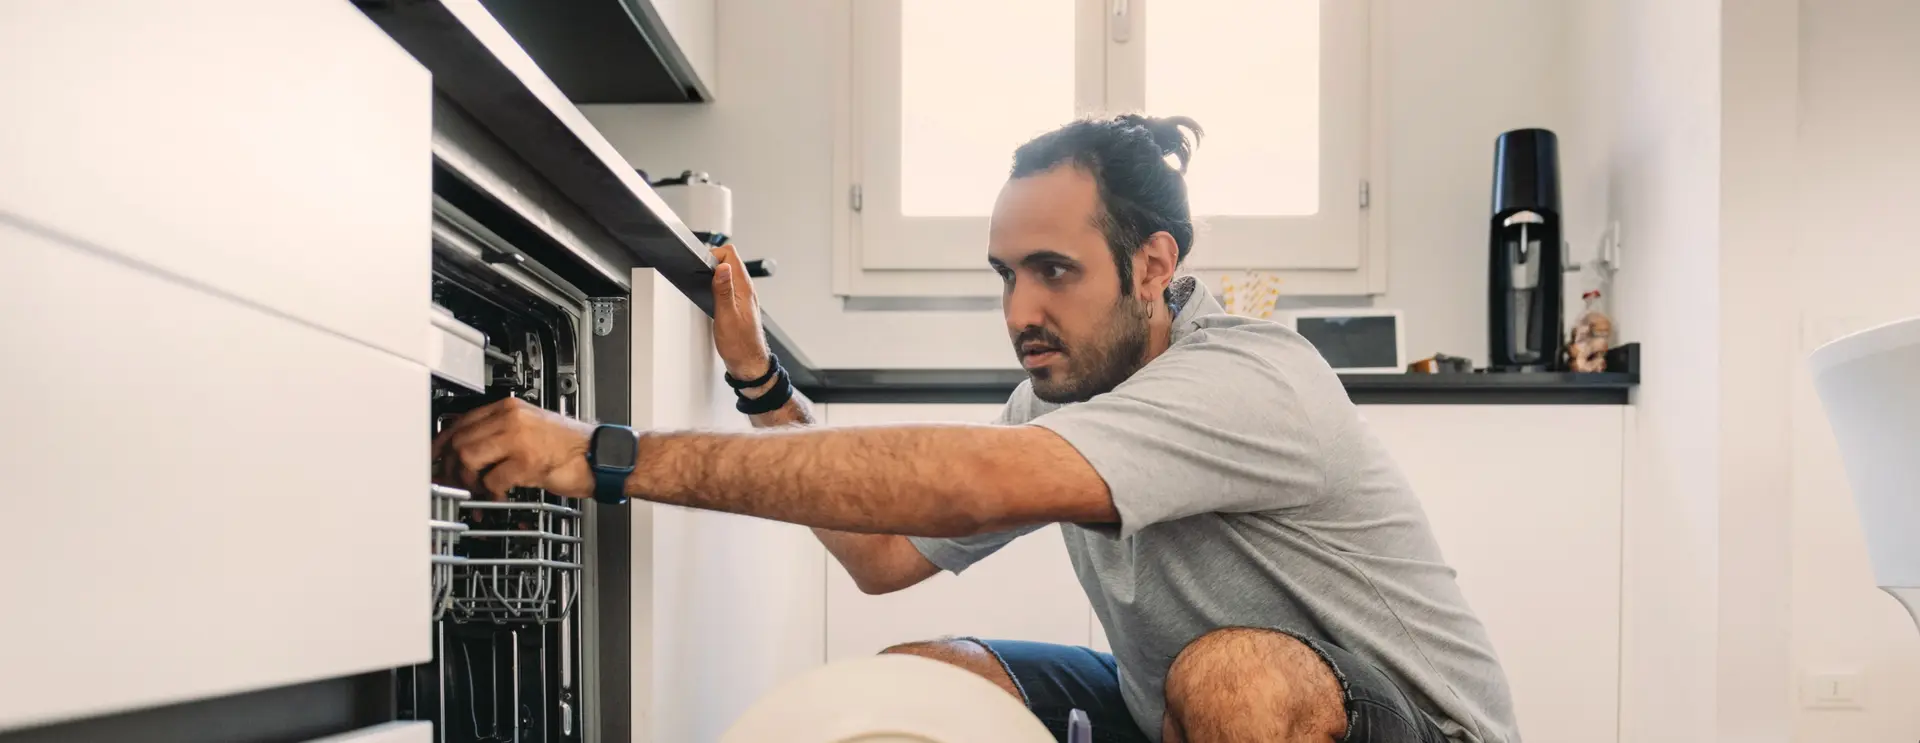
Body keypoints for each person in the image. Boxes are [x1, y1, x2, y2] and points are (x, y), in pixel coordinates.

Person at [433, 114, 1519, 743]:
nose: (1020, 313)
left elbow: (963, 479)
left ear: (1154, 265)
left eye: (1055, 271)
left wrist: (600, 454)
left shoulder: (1255, 378)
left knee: (1230, 675)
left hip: (1408, 729)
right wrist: (759, 379)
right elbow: (884, 552)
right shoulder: (1064, 389)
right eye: (1007, 274)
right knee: (919, 679)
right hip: (1168, 716)